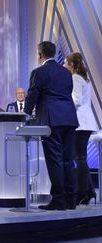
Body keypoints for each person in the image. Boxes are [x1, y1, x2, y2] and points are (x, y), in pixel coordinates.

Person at [24, 41, 79, 210]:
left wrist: (25, 113)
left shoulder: (39, 72)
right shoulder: (66, 73)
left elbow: (33, 95)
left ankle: (59, 200)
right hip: (69, 119)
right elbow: (67, 93)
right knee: (67, 160)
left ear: (40, 55)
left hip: (51, 121)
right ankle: (70, 200)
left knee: (54, 160)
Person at [64, 52, 99, 205]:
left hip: (80, 123)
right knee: (80, 157)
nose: (64, 66)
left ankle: (82, 193)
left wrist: (63, 101)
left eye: (65, 63)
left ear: (71, 65)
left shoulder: (76, 78)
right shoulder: (83, 78)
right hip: (84, 122)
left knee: (79, 158)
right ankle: (89, 191)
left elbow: (76, 100)